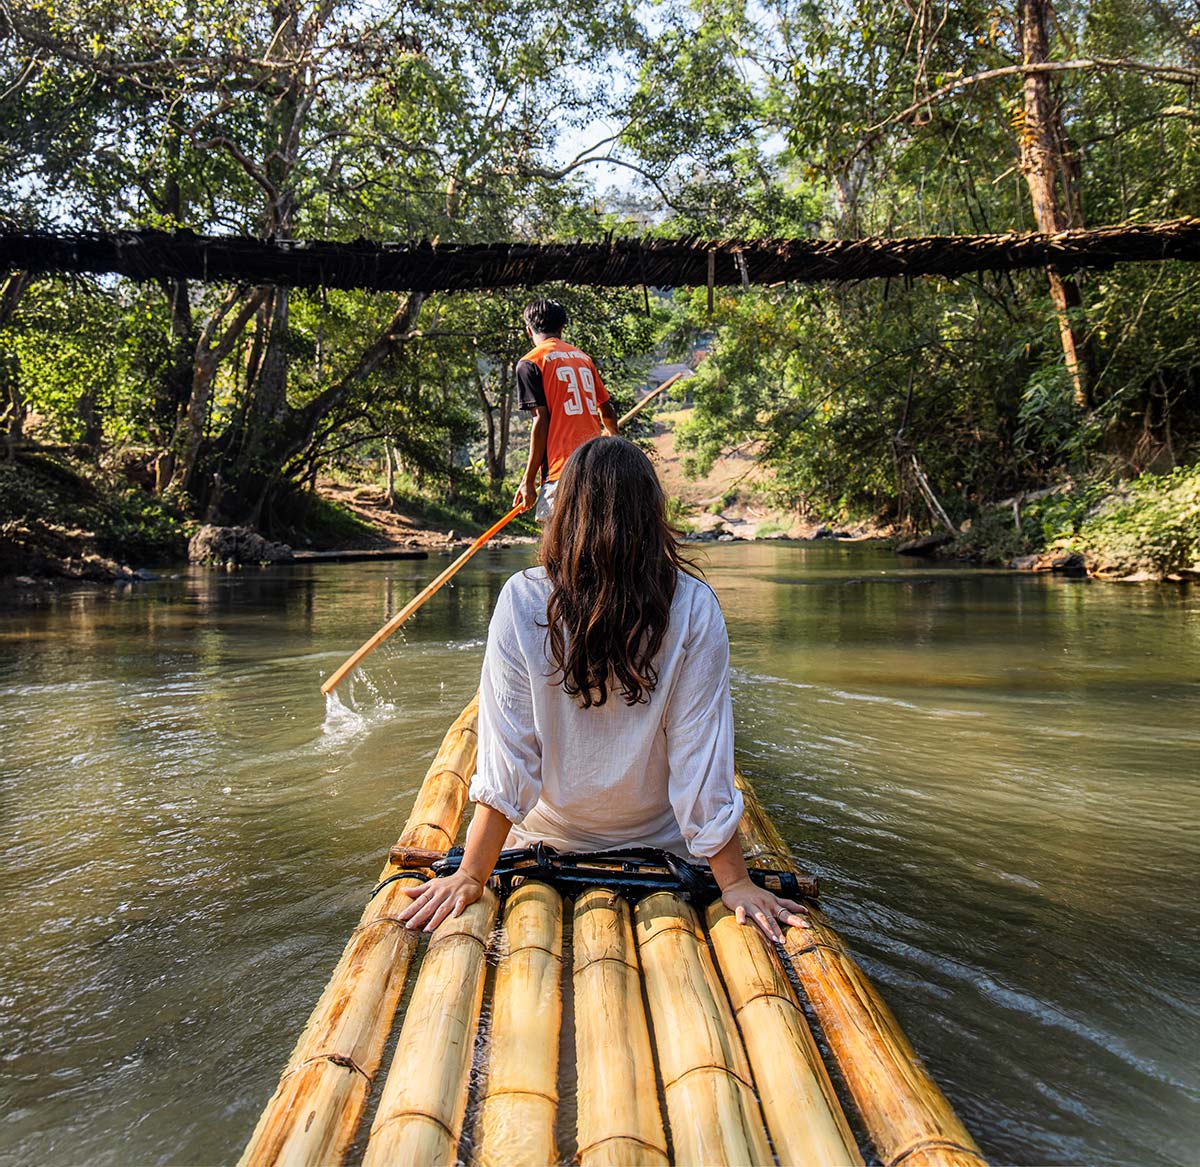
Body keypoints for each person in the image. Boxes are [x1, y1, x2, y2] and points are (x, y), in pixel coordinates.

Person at [399, 437, 809, 942]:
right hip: (662, 848)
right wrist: (735, 882)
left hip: (544, 843)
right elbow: (699, 761)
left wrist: (471, 874)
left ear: (564, 513)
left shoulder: (521, 598)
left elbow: (509, 762)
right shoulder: (694, 605)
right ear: (653, 517)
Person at [512, 299, 619, 520]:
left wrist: (528, 480)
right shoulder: (583, 358)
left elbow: (540, 422)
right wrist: (613, 435)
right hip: (594, 465)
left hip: (561, 470)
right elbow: (606, 410)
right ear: (562, 328)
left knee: (557, 545)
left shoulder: (530, 362)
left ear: (528, 331)